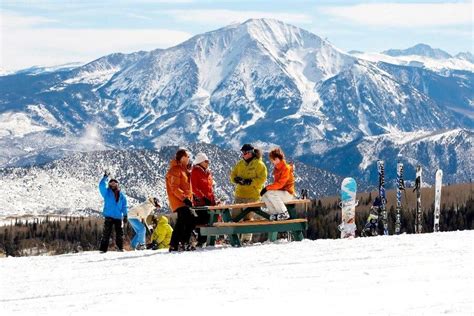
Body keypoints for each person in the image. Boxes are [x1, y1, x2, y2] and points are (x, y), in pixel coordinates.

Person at [230, 144, 267, 242]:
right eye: (242, 152)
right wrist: (236, 180)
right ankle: (235, 238)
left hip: (252, 196)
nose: (243, 154)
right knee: (235, 218)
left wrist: (250, 182)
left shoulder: (259, 164)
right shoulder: (240, 164)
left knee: (248, 219)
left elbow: (262, 179)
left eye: (245, 152)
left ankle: (246, 240)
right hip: (239, 195)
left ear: (251, 153)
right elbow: (232, 175)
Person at [166, 149, 196, 252]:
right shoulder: (175, 170)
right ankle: (182, 242)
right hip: (179, 201)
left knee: (183, 221)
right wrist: (184, 198)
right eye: (187, 156)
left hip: (184, 200)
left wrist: (192, 197)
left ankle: (176, 244)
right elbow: (174, 188)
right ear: (182, 157)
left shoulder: (184, 170)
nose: (189, 158)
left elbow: (186, 187)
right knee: (191, 218)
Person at [259, 148, 295, 221]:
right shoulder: (277, 168)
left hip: (288, 194)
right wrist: (266, 190)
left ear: (278, 158)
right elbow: (276, 185)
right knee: (265, 195)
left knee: (270, 192)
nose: (272, 161)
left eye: (273, 159)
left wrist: (267, 188)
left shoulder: (285, 168)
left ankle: (284, 213)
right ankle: (274, 214)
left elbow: (280, 184)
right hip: (281, 193)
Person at [98, 171, 128, 253]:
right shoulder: (106, 193)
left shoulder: (121, 195)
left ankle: (120, 248)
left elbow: (124, 206)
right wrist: (105, 178)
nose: (113, 184)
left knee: (119, 233)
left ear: (117, 185)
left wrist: (125, 215)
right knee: (106, 233)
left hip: (118, 216)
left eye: (115, 183)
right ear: (109, 184)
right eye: (111, 183)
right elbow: (101, 186)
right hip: (109, 216)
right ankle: (103, 249)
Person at [191, 152, 216, 246]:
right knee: (203, 220)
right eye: (206, 161)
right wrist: (202, 197)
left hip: (209, 201)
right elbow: (194, 187)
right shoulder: (195, 171)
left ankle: (207, 240)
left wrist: (213, 200)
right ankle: (201, 240)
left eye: (208, 161)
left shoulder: (208, 172)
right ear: (200, 161)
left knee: (210, 219)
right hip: (200, 202)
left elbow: (210, 188)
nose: (208, 163)